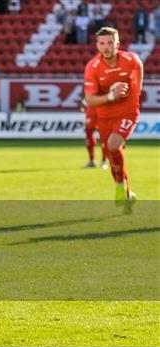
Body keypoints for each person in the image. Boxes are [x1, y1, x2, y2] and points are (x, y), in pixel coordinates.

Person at [84, 27, 143, 214]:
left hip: (127, 111)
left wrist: (138, 89)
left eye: (110, 43)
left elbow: (139, 65)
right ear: (97, 46)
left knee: (113, 145)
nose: (106, 47)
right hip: (104, 116)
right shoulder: (92, 67)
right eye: (102, 43)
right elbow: (91, 100)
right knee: (111, 154)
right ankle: (126, 193)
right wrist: (111, 96)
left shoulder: (129, 60)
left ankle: (120, 187)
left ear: (117, 44)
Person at [80, 99, 107, 169]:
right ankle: (91, 160)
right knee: (88, 135)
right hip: (91, 111)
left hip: (103, 110)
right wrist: (84, 102)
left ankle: (104, 161)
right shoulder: (89, 88)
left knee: (104, 137)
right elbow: (86, 95)